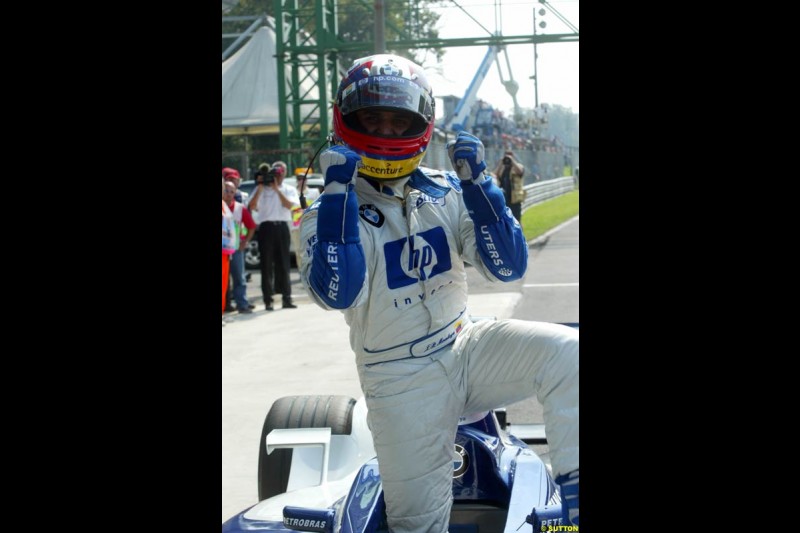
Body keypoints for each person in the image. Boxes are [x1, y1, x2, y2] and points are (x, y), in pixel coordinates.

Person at [298, 54, 579, 532]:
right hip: (399, 378)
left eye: (399, 119)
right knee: (418, 524)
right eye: (373, 118)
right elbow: (339, 294)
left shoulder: (450, 190)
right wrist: (338, 199)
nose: (386, 131)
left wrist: (483, 188)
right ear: (346, 119)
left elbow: (507, 267)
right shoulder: (320, 216)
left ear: (422, 122)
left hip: (466, 344)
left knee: (569, 352)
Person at [248, 161, 299, 310]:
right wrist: (260, 187)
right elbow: (252, 206)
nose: (276, 177)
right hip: (266, 228)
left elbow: (290, 206)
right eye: (274, 175)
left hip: (282, 226)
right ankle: (268, 300)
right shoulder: (261, 189)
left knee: (284, 264)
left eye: (279, 174)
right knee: (266, 265)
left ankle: (286, 298)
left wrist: (277, 189)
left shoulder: (288, 189)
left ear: (284, 174)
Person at [223, 180, 257, 314]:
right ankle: (226, 305)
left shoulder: (239, 208)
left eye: (232, 192)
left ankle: (242, 304)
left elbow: (251, 226)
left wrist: (245, 242)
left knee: (239, 277)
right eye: (226, 190)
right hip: (222, 249)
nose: (229, 194)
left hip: (235, 248)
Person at [492, 150, 526, 222]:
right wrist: (501, 163)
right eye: (506, 156)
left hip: (514, 199)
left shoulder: (518, 166)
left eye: (509, 156)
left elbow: (520, 171)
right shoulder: (502, 168)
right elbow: (494, 175)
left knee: (516, 221)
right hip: (503, 199)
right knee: (505, 221)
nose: (507, 159)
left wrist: (512, 161)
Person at [222, 177, 237, 325]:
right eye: (225, 189)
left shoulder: (224, 206)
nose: (226, 192)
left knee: (223, 284)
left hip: (225, 252)